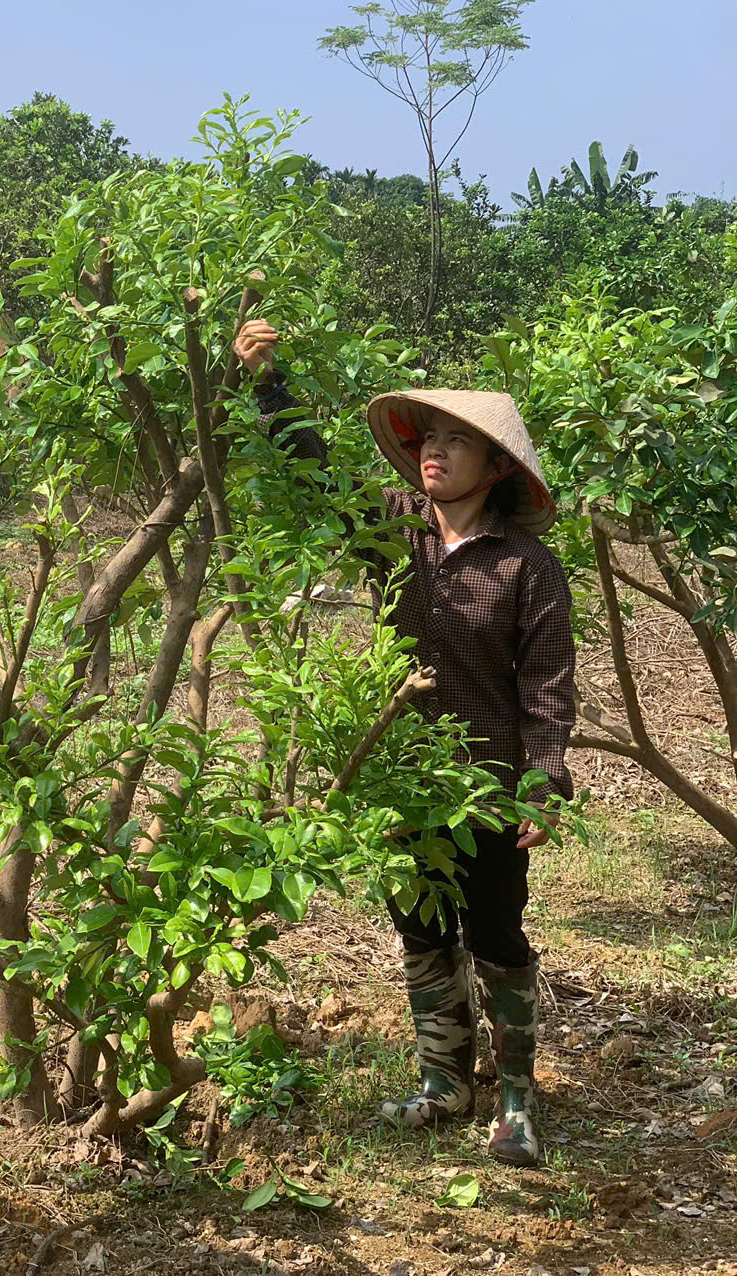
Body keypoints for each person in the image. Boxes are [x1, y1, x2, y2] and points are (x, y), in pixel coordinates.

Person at [235, 318, 576, 1168]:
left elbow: (546, 687)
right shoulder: (393, 530)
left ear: (498, 467)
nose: (435, 452)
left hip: (489, 785)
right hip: (402, 776)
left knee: (497, 932)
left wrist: (543, 780)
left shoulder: (527, 567)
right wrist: (269, 383)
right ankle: (443, 1082)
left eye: (460, 443)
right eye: (430, 438)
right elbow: (313, 472)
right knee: (421, 927)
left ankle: (515, 1100)